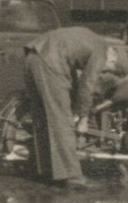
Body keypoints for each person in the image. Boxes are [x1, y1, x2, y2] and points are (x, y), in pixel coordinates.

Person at [22, 26, 112, 189]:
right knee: (62, 121)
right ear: (113, 54)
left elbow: (74, 79)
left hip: (31, 56)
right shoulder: (102, 49)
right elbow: (88, 84)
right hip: (50, 61)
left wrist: (77, 104)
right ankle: (73, 178)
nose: (107, 67)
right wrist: (83, 117)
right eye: (110, 65)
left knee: (42, 118)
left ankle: (46, 171)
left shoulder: (88, 37)